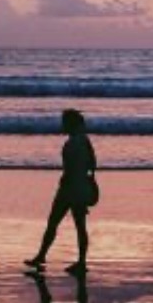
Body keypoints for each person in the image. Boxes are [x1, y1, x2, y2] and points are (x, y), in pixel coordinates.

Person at [25, 108, 97, 276]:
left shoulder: (74, 142)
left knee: (54, 223)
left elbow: (71, 168)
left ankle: (43, 256)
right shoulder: (84, 140)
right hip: (78, 187)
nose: (62, 125)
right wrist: (88, 181)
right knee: (79, 226)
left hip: (69, 189)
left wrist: (68, 180)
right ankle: (80, 262)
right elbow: (93, 163)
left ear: (71, 124)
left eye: (64, 122)